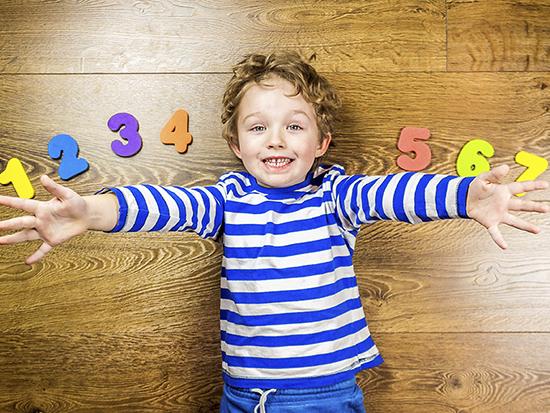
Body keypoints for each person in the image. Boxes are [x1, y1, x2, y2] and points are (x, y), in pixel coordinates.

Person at [0, 51, 548, 413]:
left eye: (295, 125)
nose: (276, 139)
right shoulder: (224, 200)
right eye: (258, 128)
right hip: (241, 395)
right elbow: (163, 204)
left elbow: (396, 194)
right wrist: (93, 213)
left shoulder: (336, 194)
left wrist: (464, 195)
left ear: (321, 144)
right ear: (238, 147)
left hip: (326, 394)